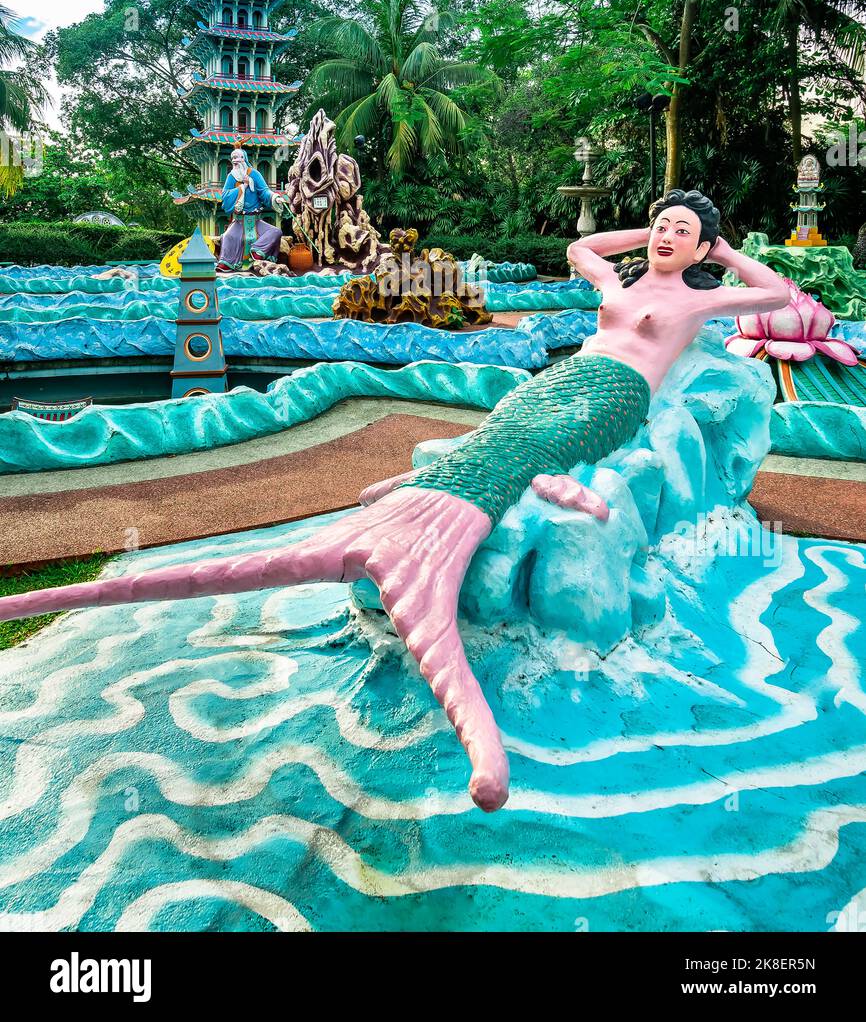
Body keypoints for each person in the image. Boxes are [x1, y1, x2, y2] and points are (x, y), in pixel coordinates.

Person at [0, 190, 790, 812]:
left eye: (682, 231)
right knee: (506, 423)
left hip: (613, 396)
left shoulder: (695, 300)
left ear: (700, 249)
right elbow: (582, 248)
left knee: (530, 445)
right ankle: (437, 488)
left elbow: (777, 293)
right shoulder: (618, 278)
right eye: (663, 225)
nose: (666, 237)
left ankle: (463, 500)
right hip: (563, 378)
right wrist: (642, 228)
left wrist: (719, 250)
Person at [217, 147, 284, 271]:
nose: (235, 160)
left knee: (276, 232)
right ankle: (227, 262)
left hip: (256, 220)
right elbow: (225, 196)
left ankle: (257, 251)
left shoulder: (254, 174)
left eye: (238, 157)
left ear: (244, 159)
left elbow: (264, 191)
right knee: (228, 237)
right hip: (239, 220)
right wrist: (242, 187)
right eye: (233, 158)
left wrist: (275, 197)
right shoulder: (231, 177)